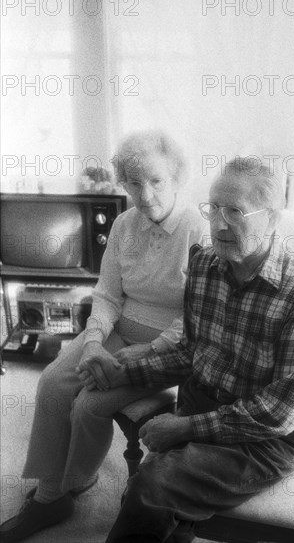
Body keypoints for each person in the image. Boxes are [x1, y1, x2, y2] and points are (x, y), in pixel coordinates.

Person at [95, 157, 294, 543]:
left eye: (235, 211)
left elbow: (281, 412)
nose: (219, 223)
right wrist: (125, 372)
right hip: (200, 402)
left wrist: (184, 428)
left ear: (272, 218)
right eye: (214, 209)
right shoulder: (205, 265)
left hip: (263, 439)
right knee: (154, 500)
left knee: (150, 487)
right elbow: (192, 353)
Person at [0, 130, 208, 543]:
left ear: (177, 178)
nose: (144, 194)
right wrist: (94, 342)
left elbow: (193, 319)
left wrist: (139, 356)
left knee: (88, 406)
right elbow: (108, 295)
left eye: (156, 181)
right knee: (53, 383)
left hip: (167, 349)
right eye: (132, 182)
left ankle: (78, 479)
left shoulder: (198, 232)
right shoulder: (123, 224)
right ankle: (50, 495)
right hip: (117, 329)